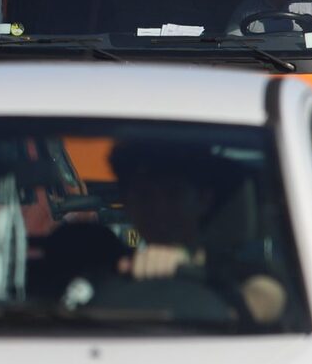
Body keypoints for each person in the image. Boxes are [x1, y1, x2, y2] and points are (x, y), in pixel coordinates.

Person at [109, 139, 287, 325]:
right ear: (127, 205)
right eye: (144, 196)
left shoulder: (240, 267)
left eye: (173, 194)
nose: (159, 209)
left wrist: (189, 269)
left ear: (203, 200)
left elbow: (267, 299)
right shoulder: (107, 267)